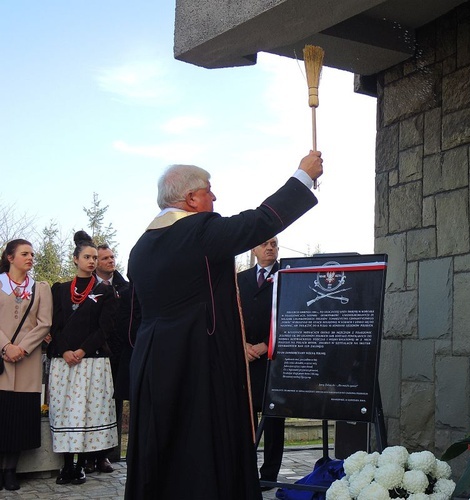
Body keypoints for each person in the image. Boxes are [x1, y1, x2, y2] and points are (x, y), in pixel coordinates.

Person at [125, 150, 323, 500]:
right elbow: (258, 223)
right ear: (190, 198)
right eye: (208, 190)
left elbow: (135, 316)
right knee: (201, 445)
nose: (214, 197)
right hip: (196, 359)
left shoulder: (140, 247)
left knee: (163, 445)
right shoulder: (197, 230)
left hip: (153, 362)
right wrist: (302, 177)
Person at [48, 231, 118, 486]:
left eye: (94, 257)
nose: (91, 261)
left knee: (87, 411)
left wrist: (82, 350)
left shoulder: (105, 292)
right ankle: (66, 464)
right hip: (63, 361)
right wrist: (65, 350)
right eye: (86, 257)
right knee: (65, 412)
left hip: (92, 361)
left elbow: (105, 328)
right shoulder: (60, 290)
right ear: (75, 259)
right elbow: (53, 325)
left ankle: (81, 464)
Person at [0, 239, 53, 492]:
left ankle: (10, 471)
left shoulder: (40, 288)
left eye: (32, 253)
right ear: (10, 257)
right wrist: (5, 347)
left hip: (27, 361)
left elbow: (44, 323)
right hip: (1, 361)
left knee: (18, 418)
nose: (31, 257)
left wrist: (21, 348)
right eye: (25, 253)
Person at [238, 236, 285, 490]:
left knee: (274, 419)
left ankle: (269, 475)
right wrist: (241, 345)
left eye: (274, 244)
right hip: (245, 359)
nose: (270, 248)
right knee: (246, 417)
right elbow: (232, 315)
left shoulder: (286, 276)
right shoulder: (239, 279)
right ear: (254, 248)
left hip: (272, 359)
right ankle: (245, 470)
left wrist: (268, 344)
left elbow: (289, 314)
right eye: (265, 244)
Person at [89, 243, 135, 471]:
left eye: (112, 257)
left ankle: (108, 454)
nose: (110, 261)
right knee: (94, 404)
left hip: (120, 353)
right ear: (95, 262)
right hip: (92, 354)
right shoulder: (85, 288)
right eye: (105, 258)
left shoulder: (125, 288)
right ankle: (88, 455)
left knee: (114, 403)